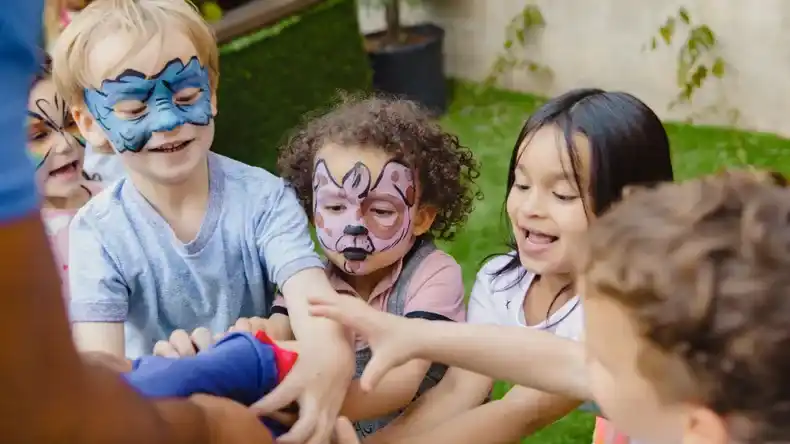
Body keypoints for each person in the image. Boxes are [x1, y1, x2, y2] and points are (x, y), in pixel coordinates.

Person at [51, 0, 354, 442]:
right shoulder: (97, 233)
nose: (169, 121)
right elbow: (101, 372)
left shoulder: (263, 199)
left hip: (261, 401)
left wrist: (328, 359)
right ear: (89, 123)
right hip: (162, 419)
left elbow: (315, 304)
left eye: (185, 97)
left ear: (210, 92)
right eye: (135, 109)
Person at [309, 169, 790, 444]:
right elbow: (558, 359)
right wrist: (418, 335)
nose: (582, 358)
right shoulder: (687, 404)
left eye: (602, 359)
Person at [313, 89, 675, 444]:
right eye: (522, 184)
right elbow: (459, 390)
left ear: (628, 211)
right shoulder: (503, 283)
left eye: (562, 194)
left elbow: (518, 414)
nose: (530, 207)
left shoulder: (625, 311)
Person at [0, 0, 282, 442]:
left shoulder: (254, 195)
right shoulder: (87, 232)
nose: (63, 146)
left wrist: (277, 326)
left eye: (186, 96)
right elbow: (92, 369)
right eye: (37, 135)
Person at [157, 96, 482, 438]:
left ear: (422, 218)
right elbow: (279, 330)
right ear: (312, 210)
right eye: (336, 207)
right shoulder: (311, 278)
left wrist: (309, 402)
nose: (353, 226)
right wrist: (251, 337)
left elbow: (400, 383)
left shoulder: (432, 274)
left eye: (381, 211)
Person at [28, 53, 104, 298]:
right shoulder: (22, 244)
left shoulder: (122, 199)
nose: (65, 143)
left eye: (70, 122)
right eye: (38, 136)